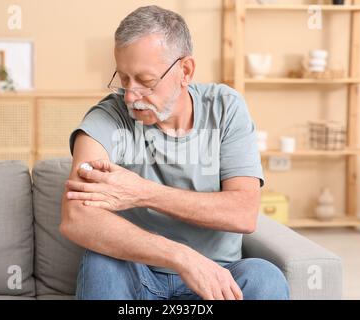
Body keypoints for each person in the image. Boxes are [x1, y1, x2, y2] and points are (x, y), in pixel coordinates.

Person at [60, 5, 289, 300]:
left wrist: (142, 192)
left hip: (215, 281)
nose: (130, 95)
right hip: (136, 274)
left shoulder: (225, 108)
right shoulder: (108, 117)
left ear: (185, 71)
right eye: (124, 78)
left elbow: (243, 212)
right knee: (100, 262)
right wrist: (181, 257)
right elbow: (76, 217)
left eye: (145, 80)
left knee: (264, 276)